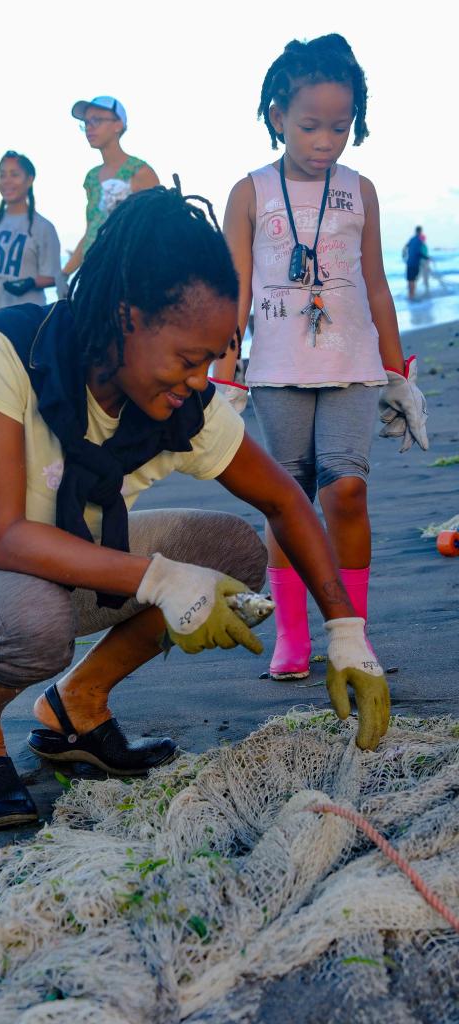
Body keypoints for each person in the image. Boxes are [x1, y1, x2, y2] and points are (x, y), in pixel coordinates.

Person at [0, 183, 390, 833]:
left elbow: (283, 499)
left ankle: (75, 708)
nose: (201, 381)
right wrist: (165, 583)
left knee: (229, 551)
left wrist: (345, 633)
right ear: (126, 317)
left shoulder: (183, 407)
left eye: (217, 355)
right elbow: (2, 539)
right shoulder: (2, 353)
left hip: (55, 566)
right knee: (32, 615)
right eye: (190, 358)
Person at [213, 34, 428, 683]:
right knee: (288, 500)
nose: (326, 140)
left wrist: (398, 373)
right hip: (277, 371)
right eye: (311, 126)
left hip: (352, 365)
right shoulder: (249, 192)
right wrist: (226, 373)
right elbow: (236, 290)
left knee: (349, 490)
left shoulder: (359, 189)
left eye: (341, 127)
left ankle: (353, 634)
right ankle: (293, 635)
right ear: (278, 115)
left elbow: (378, 283)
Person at [62, 96, 159, 276]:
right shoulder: (91, 177)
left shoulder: (140, 172)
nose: (89, 127)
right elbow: (92, 230)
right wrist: (64, 274)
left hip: (127, 275)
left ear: (118, 125)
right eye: (86, 122)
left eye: (96, 120)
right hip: (93, 274)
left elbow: (155, 229)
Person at [0, 151, 66, 317]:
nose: (7, 181)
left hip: (26, 321)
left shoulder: (43, 227)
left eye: (14, 175)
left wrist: (29, 283)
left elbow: (55, 277)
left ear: (29, 180)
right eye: (2, 175)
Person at [402, 226, 425, 300]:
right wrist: (426, 257)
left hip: (409, 263)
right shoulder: (419, 240)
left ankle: (410, 295)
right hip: (415, 264)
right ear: (420, 232)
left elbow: (405, 247)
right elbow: (419, 252)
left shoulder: (411, 239)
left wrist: (404, 255)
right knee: (413, 280)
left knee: (409, 280)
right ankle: (412, 296)